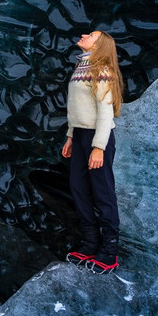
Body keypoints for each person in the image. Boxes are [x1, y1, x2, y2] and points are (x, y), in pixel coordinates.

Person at [61, 29, 124, 274]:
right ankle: (90, 244)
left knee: (102, 192)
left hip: (99, 137)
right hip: (80, 135)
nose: (84, 34)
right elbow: (78, 108)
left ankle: (109, 252)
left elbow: (105, 113)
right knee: (78, 187)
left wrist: (98, 147)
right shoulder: (82, 67)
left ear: (98, 46)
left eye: (91, 35)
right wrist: (70, 136)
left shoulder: (102, 70)